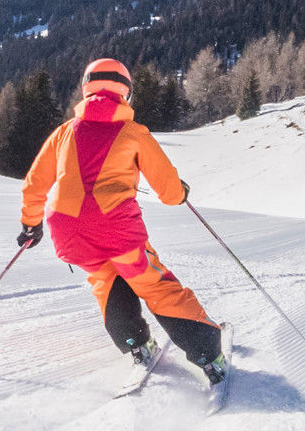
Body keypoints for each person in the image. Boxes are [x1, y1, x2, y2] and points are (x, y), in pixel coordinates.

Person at [18, 58, 228, 385]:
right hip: (116, 230)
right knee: (153, 283)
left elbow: (34, 183)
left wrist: (31, 224)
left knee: (105, 278)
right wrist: (180, 192)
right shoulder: (132, 132)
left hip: (68, 231)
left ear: (86, 89)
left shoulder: (64, 132)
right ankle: (207, 352)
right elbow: (168, 190)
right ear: (125, 92)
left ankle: (136, 344)